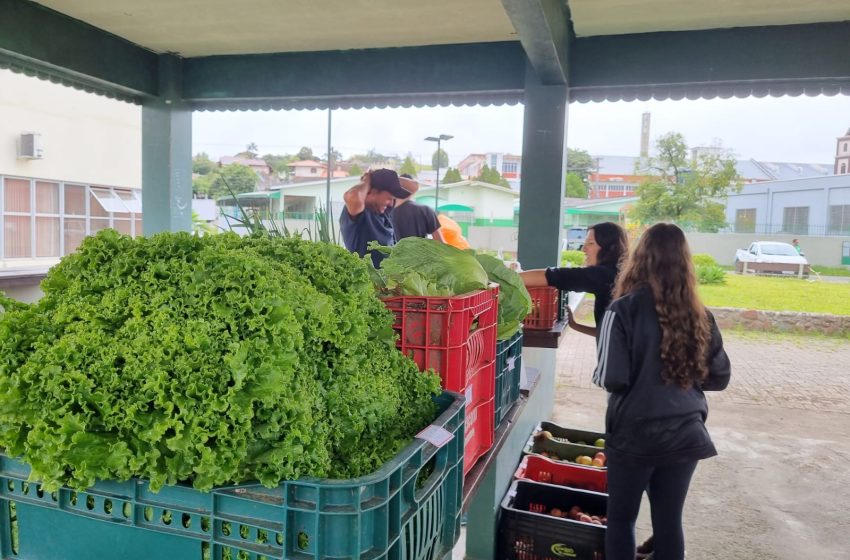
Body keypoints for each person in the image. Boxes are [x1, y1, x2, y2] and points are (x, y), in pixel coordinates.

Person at [593, 223, 731, 560]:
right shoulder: (701, 316)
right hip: (686, 433)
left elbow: (612, 378)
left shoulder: (621, 309)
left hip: (635, 436)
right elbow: (719, 377)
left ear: (640, 258)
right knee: (669, 522)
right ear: (686, 262)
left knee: (622, 519)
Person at [520, 222, 628, 338]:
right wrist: (576, 326)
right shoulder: (619, 271)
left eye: (590, 243)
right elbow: (609, 333)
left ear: (609, 248)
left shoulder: (603, 275)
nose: (584, 249)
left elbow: (557, 276)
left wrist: (507, 278)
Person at [340, 168, 418, 267]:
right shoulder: (357, 211)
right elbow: (352, 196)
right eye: (389, 198)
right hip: (368, 279)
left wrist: (388, 178)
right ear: (373, 192)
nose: (391, 202)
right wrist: (368, 179)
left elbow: (414, 187)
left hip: (389, 278)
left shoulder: (383, 210)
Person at [389, 174, 445, 242]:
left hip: (394, 252)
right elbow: (440, 242)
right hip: (420, 252)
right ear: (413, 191)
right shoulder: (425, 210)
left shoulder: (386, 212)